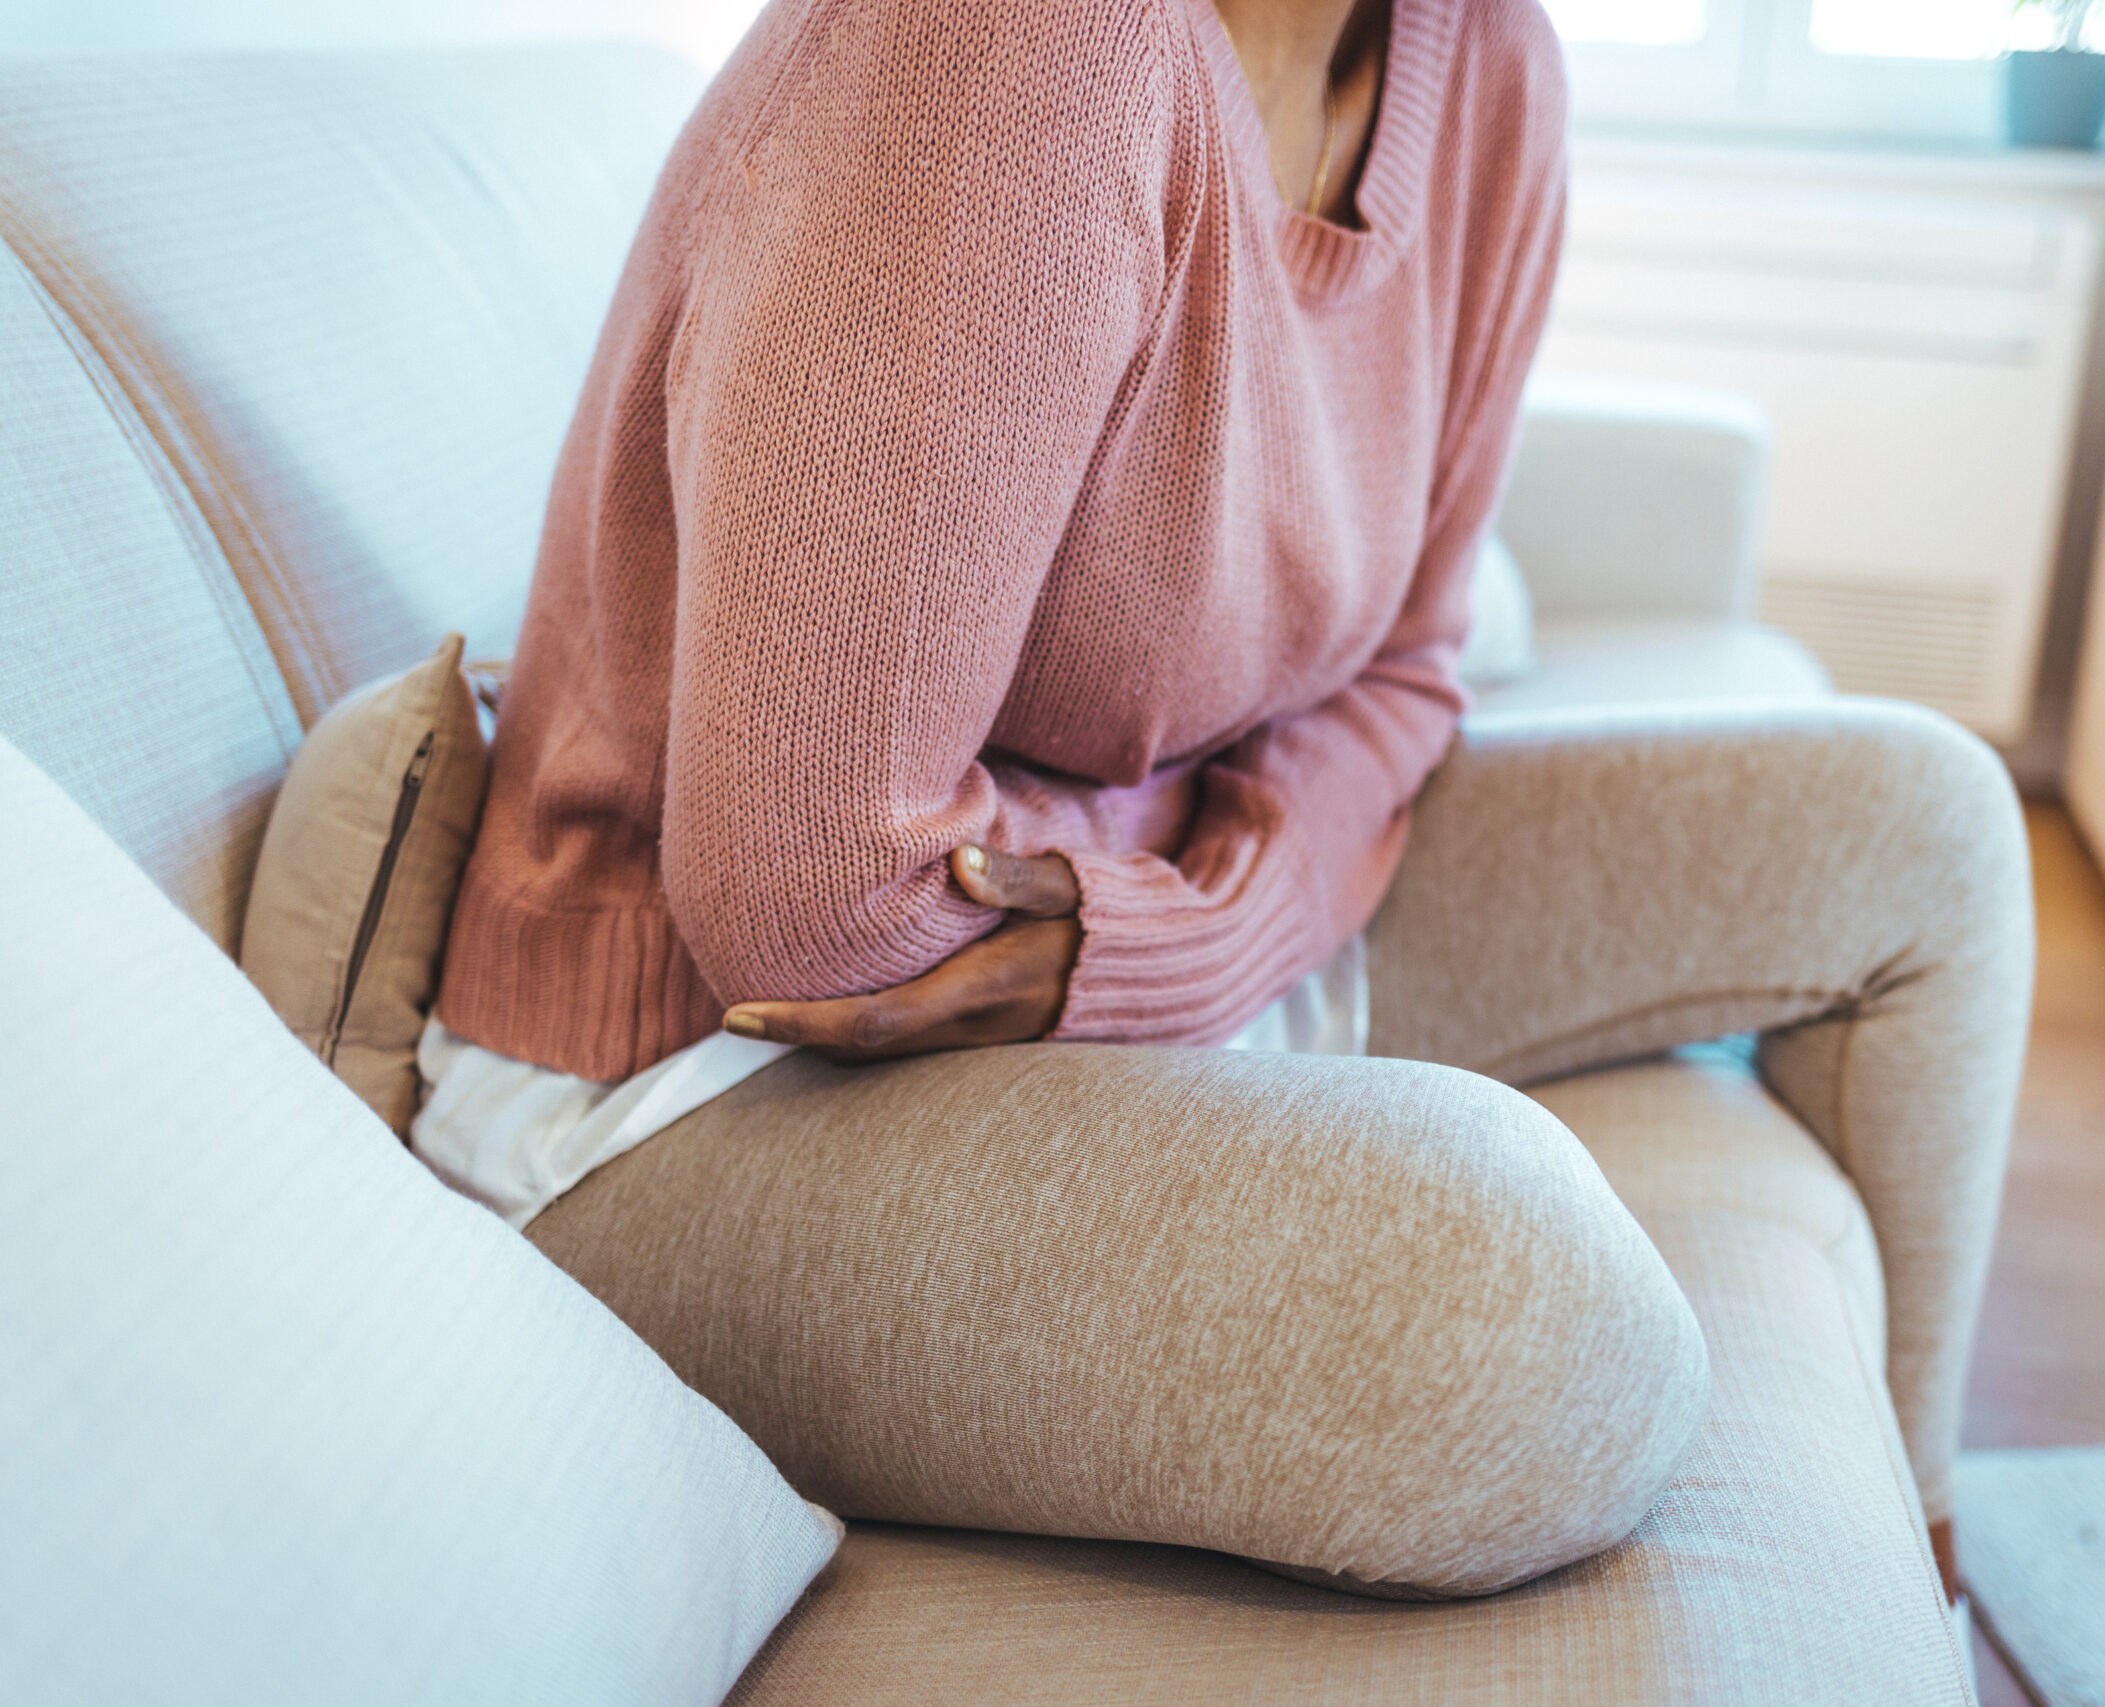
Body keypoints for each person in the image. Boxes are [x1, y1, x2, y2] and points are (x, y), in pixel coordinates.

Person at [413, 0, 1570, 1229]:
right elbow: (814, 897)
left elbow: (1404, 672)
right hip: (697, 1074)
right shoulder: (1018, 38)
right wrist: (1205, 871)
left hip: (1112, 968)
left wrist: (1201, 926)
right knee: (1518, 1317)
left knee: (1797, 845)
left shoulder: (1491, 67)